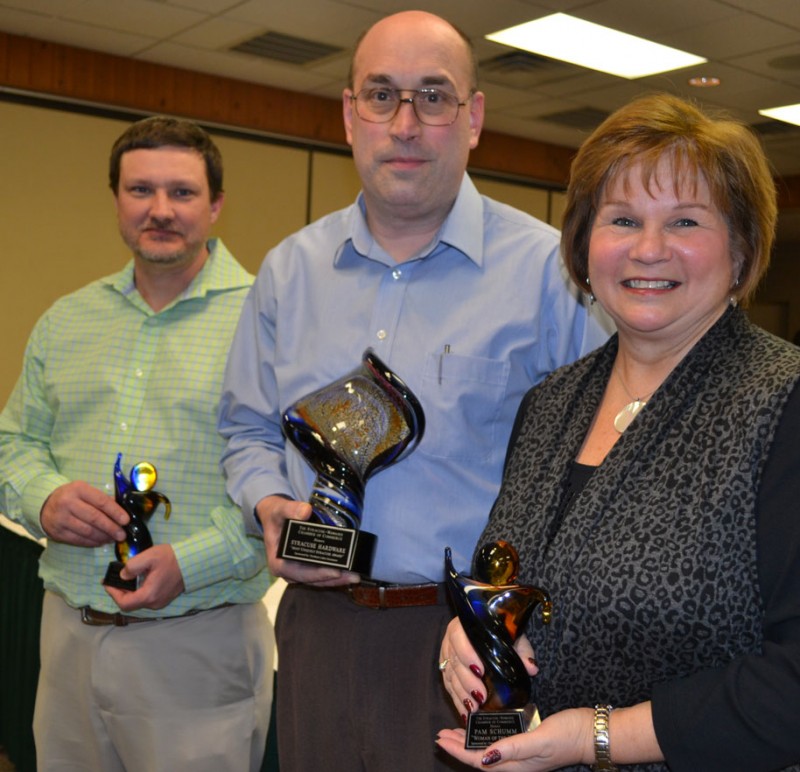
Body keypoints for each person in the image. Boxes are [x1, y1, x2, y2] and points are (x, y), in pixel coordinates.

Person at [217, 10, 611, 772]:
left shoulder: (550, 276)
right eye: (381, 95)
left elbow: (598, 467)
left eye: (434, 97)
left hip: (472, 650)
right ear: (347, 114)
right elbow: (246, 430)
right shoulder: (288, 272)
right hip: (317, 632)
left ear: (474, 118)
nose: (405, 123)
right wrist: (269, 506)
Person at [436, 93, 800, 771]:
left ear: (742, 246)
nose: (649, 249)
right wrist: (465, 634)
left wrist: (598, 736)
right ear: (584, 242)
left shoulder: (782, 403)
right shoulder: (550, 405)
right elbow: (501, 574)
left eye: (685, 220)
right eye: (623, 218)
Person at [0, 116, 273, 772]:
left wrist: (193, 562)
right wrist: (43, 498)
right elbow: (13, 442)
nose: (159, 210)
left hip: (197, 642)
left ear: (216, 205)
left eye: (181, 193)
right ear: (116, 199)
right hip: (67, 630)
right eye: (139, 190)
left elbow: (294, 486)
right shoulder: (68, 319)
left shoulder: (269, 320)